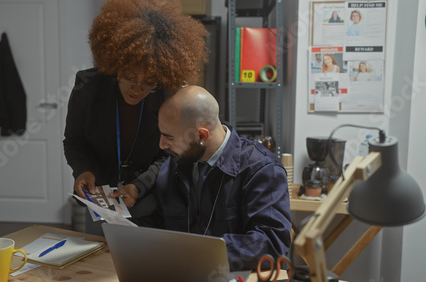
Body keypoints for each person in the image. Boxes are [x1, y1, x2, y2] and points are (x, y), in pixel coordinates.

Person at [63, 0, 208, 235]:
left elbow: (170, 154)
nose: (136, 90)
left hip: (151, 201)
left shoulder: (167, 97)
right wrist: (83, 170)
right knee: (100, 263)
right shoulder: (87, 87)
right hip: (102, 201)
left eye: (148, 83)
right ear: (115, 65)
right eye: (129, 78)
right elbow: (74, 142)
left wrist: (139, 187)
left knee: (147, 265)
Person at [154, 86, 292, 271]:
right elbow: (158, 227)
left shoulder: (261, 169)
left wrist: (201, 252)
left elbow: (272, 243)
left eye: (169, 137)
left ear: (201, 135)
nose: (162, 144)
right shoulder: (175, 166)